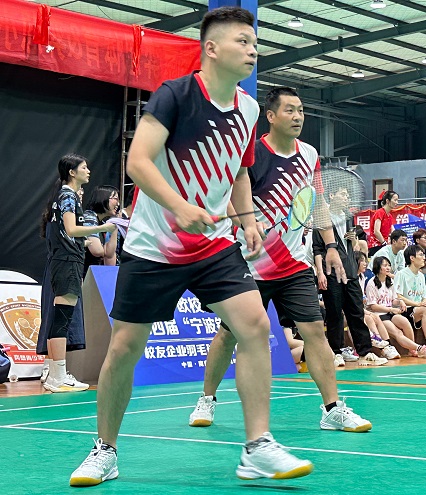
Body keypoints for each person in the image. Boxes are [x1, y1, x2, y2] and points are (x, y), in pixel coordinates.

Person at [70, 8, 313, 487]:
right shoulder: (175, 96)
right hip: (153, 245)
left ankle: (258, 446)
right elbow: (139, 161)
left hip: (214, 245)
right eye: (242, 41)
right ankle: (105, 450)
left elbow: (240, 171)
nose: (252, 50)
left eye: (254, 43)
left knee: (254, 324)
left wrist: (247, 221)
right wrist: (180, 206)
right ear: (212, 48)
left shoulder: (247, 109)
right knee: (125, 347)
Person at [188, 86, 373, 438]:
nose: (298, 116)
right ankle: (207, 399)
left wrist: (331, 245)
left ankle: (332, 409)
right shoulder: (253, 152)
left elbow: (316, 202)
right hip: (250, 262)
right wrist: (246, 222)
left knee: (314, 332)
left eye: (301, 110)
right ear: (270, 116)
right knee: (229, 334)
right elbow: (227, 195)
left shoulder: (309, 154)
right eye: (290, 110)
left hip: (294, 264)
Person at [39, 154, 116, 393]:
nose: (88, 171)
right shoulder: (68, 196)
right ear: (72, 172)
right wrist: (104, 227)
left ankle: (55, 374)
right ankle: (59, 376)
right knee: (62, 319)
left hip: (62, 260)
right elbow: (72, 229)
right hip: (67, 262)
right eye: (84, 167)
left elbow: (64, 233)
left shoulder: (62, 196)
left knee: (59, 318)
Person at [313, 185, 388, 367]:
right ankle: (336, 352)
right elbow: (317, 249)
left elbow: (353, 247)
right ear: (331, 195)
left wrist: (354, 240)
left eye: (347, 195)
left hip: (351, 273)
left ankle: (365, 353)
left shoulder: (348, 218)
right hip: (331, 273)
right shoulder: (322, 218)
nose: (347, 197)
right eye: (343, 193)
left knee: (357, 313)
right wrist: (321, 273)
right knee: (335, 315)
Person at [365, 257, 426, 358]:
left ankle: (412, 350)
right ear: (378, 268)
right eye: (385, 265)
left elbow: (394, 300)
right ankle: (419, 348)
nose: (388, 268)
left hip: (391, 312)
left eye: (389, 265)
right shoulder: (371, 283)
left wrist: (400, 301)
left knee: (405, 322)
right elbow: (373, 306)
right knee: (397, 332)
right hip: (379, 315)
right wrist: (391, 309)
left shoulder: (390, 281)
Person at [355, 251, 397, 358]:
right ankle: (377, 340)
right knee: (369, 318)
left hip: (361, 309)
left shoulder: (362, 277)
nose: (365, 263)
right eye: (362, 261)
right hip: (351, 311)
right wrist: (366, 311)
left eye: (366, 261)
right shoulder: (358, 280)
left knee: (374, 317)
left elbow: (361, 299)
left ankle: (387, 345)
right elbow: (352, 303)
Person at [83, 185, 121, 275]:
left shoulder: (103, 222)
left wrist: (116, 224)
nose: (118, 204)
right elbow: (97, 251)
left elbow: (109, 254)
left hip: (93, 273)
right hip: (82, 273)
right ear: (103, 198)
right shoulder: (89, 217)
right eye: (115, 199)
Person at [367, 190, 399, 256]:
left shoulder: (389, 216)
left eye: (397, 200)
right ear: (387, 201)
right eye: (395, 200)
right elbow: (376, 231)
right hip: (375, 246)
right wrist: (384, 243)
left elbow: (393, 231)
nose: (397, 202)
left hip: (383, 245)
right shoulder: (380, 212)